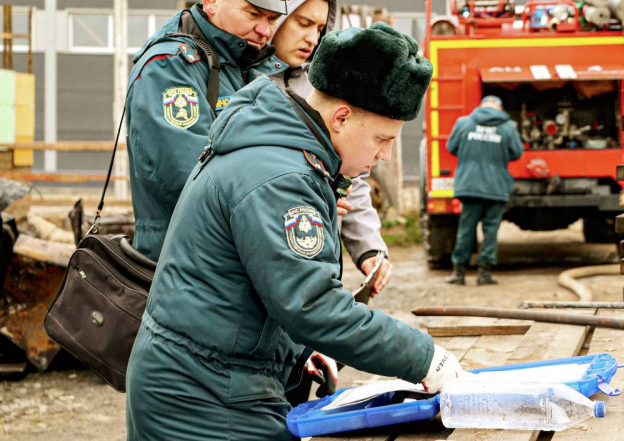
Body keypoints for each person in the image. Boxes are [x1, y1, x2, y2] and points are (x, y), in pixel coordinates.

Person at [125, 23, 464, 441]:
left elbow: (264, 282)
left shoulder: (284, 152)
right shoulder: (281, 177)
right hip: (204, 398)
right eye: (382, 138)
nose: (384, 154)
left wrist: (293, 348)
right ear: (341, 117)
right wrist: (427, 358)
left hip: (212, 380)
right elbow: (311, 304)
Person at [125, 0, 305, 262]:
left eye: (273, 19)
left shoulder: (262, 64)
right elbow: (184, 174)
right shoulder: (171, 67)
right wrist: (281, 200)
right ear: (211, 0)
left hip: (248, 254)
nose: (265, 30)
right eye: (253, 14)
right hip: (188, 263)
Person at [267, 0, 391, 298]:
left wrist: (369, 250)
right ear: (275, 15)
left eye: (320, 29)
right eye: (303, 23)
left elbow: (351, 174)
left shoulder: (320, 89)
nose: (311, 38)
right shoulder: (244, 90)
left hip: (315, 257)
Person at [445, 95, 524, 286]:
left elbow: (451, 147)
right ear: (499, 107)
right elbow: (517, 153)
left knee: (466, 230)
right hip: (496, 187)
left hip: (469, 186)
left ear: (481, 106)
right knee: (491, 231)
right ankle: (484, 274)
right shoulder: (508, 127)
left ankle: (459, 273)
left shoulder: (463, 123)